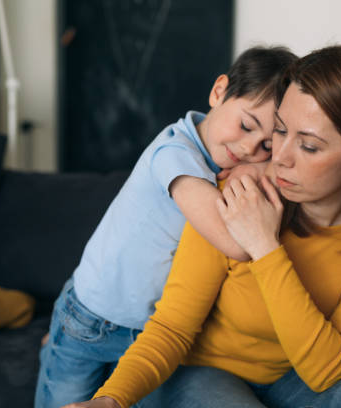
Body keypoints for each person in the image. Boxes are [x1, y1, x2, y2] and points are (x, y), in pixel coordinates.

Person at [64, 44, 341, 408]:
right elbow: (171, 327)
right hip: (201, 375)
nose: (278, 157)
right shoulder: (237, 195)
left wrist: (266, 247)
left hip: (293, 378)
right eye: (280, 132)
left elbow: (329, 371)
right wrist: (110, 400)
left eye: (309, 146)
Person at [34, 46, 298, 408]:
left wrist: (259, 168)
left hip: (148, 333)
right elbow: (235, 242)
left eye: (268, 145)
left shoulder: (227, 164)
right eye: (247, 125)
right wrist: (260, 170)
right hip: (93, 319)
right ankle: (56, 340)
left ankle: (54, 338)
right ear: (219, 91)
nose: (249, 147)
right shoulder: (174, 153)